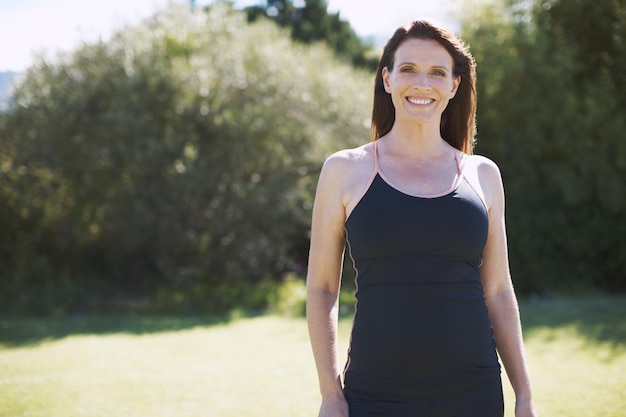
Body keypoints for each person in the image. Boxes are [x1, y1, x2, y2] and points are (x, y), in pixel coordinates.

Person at [306, 20, 537, 417]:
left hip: (474, 391)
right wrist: (331, 393)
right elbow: (323, 287)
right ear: (388, 79)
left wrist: (525, 397)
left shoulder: (482, 174)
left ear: (454, 86)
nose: (422, 83)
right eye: (408, 69)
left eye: (437, 73)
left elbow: (498, 290)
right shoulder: (345, 170)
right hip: (375, 393)